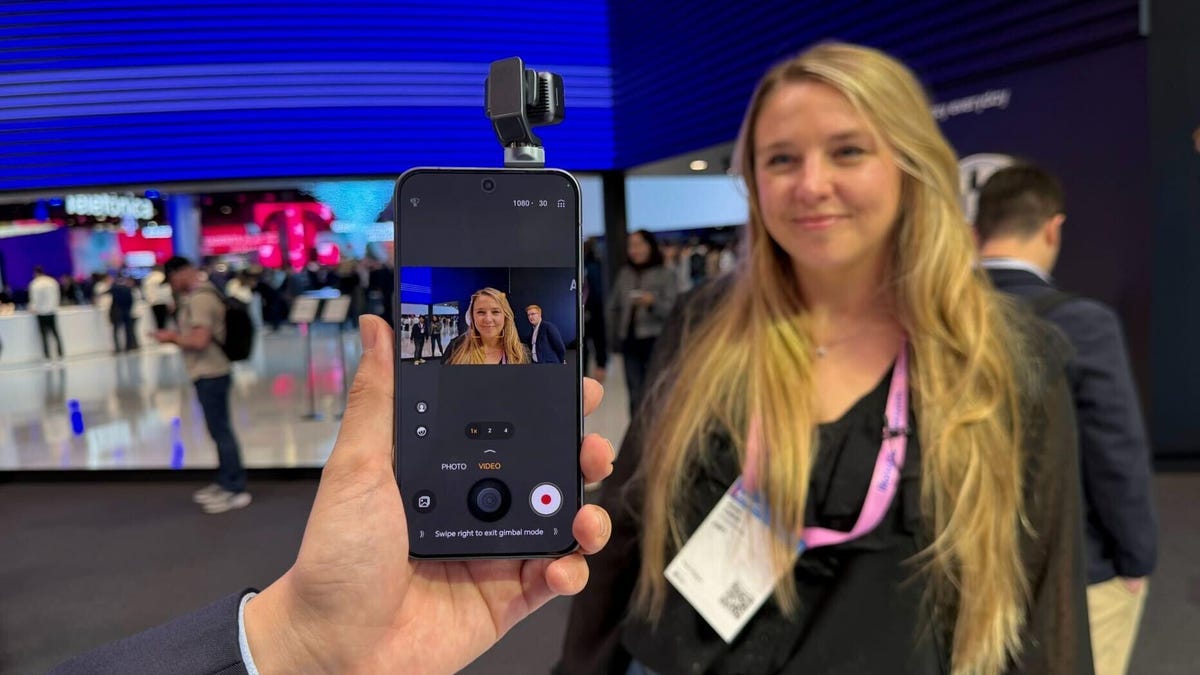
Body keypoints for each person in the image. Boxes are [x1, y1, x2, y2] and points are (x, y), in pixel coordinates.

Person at [559, 42, 1091, 675]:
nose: (811, 184)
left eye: (848, 151)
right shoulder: (707, 324)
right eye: (781, 159)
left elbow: (1043, 595)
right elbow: (629, 525)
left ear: (909, 164)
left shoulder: (1004, 358)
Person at [50, 315, 617, 674]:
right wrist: (302, 643)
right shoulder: (454, 356)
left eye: (498, 310)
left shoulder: (524, 355)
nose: (490, 317)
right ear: (471, 314)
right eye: (482, 310)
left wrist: (299, 648)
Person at [976, 163, 1156, 675]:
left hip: (958, 573)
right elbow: (1115, 456)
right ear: (1053, 228)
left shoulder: (933, 320)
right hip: (1072, 570)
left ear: (975, 231)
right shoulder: (1083, 324)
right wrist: (1135, 560)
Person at [156, 256, 251, 514]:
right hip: (210, 372)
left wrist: (171, 337)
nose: (173, 285)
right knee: (217, 430)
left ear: (184, 272)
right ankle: (225, 481)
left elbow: (199, 340)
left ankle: (235, 489)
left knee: (221, 431)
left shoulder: (200, 299)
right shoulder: (204, 295)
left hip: (211, 372)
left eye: (174, 278)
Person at [607, 229, 679, 414]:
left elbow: (673, 308)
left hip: (656, 341)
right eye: (631, 246)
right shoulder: (625, 274)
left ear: (650, 246)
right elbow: (613, 305)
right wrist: (614, 336)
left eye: (639, 245)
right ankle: (637, 437)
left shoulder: (665, 274)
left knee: (658, 392)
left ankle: (658, 436)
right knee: (635, 393)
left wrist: (652, 302)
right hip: (629, 341)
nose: (634, 250)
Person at [444, 287, 531, 365]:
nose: (488, 319)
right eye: (481, 312)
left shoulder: (522, 353)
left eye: (495, 312)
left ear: (506, 316)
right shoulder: (455, 348)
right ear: (472, 317)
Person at [29, 266, 64, 360]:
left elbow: (34, 299)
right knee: (56, 333)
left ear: (35, 273)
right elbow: (57, 295)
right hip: (52, 311)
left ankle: (47, 355)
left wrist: (33, 308)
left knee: (44, 335)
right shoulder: (52, 282)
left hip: (41, 313)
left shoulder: (35, 284)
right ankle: (60, 353)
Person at [108, 274, 139, 353]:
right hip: (126, 312)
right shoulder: (128, 289)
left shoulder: (115, 288)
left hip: (118, 312)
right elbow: (131, 302)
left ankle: (120, 348)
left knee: (119, 331)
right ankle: (129, 346)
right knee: (129, 330)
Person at [142, 265, 173, 331]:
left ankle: (158, 337)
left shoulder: (147, 278)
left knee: (155, 322)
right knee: (162, 323)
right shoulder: (161, 276)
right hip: (162, 302)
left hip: (153, 303)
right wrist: (170, 302)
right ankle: (163, 336)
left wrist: (150, 301)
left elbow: (145, 292)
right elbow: (166, 291)